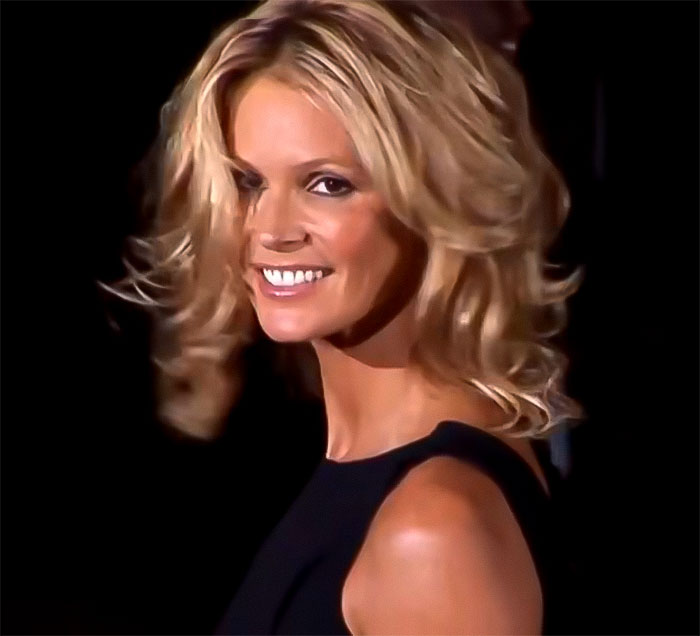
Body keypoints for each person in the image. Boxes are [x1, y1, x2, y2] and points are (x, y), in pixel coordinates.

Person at [109, 0, 582, 633]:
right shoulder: (374, 477)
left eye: (327, 184)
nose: (271, 230)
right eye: (248, 182)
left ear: (435, 196)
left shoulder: (432, 529)